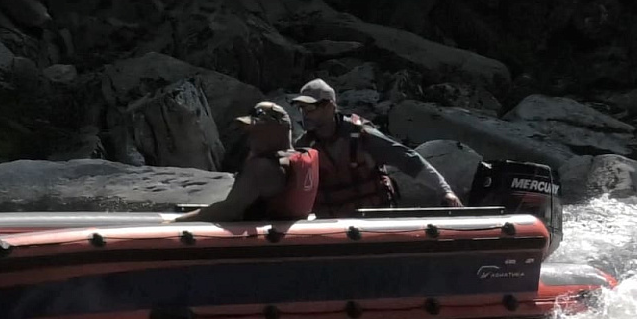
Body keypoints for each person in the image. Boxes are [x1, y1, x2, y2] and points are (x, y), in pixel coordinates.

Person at [290, 79, 462, 217]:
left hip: (373, 218)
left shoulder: (362, 135)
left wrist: (445, 191)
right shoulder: (303, 147)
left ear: (329, 106)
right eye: (301, 108)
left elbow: (409, 160)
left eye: (310, 108)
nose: (305, 114)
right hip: (332, 226)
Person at [176, 101, 319, 222]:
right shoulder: (298, 158)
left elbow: (229, 211)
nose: (250, 137)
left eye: (257, 130)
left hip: (259, 244)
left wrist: (176, 222)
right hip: (284, 238)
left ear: (276, 129)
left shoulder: (262, 167)